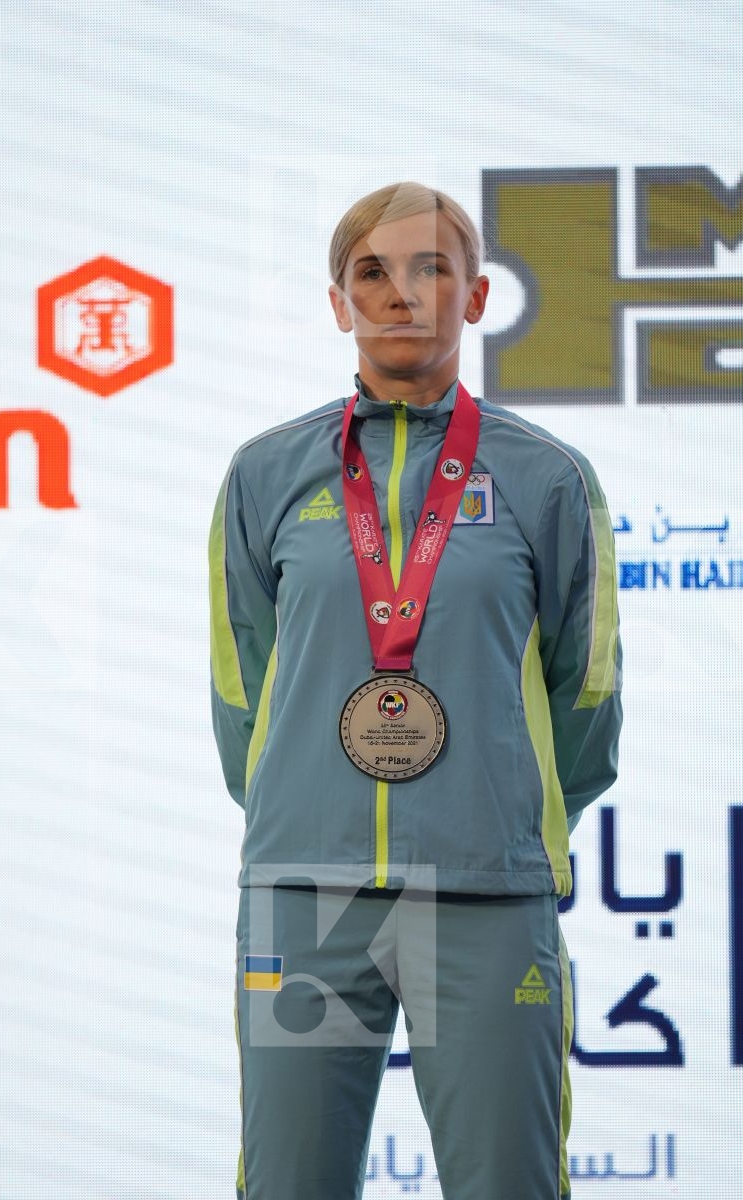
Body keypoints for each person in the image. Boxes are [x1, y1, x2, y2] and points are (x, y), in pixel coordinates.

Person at [209, 182, 622, 1200]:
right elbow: (241, 690)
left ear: (475, 297)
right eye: (372, 273)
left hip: (487, 895)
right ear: (337, 302)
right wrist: (308, 806)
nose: (401, 293)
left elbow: (586, 696)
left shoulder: (546, 478)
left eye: (430, 268)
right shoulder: (266, 474)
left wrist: (502, 817)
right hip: (307, 894)